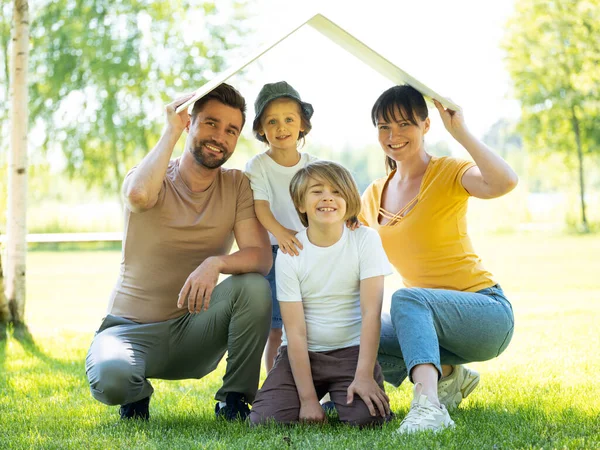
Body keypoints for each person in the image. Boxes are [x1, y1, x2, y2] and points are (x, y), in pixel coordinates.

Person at [85, 83, 273, 422]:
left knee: (255, 287)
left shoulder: (236, 185)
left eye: (231, 130)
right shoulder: (153, 176)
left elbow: (259, 256)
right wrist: (170, 131)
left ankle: (234, 400)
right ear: (190, 123)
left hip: (194, 328)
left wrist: (216, 263)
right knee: (111, 378)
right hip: (130, 331)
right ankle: (136, 394)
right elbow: (139, 196)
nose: (220, 137)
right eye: (211, 123)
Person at [359, 85, 518, 433]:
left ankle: (429, 406)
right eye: (384, 127)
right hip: (428, 326)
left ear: (425, 126)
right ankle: (449, 375)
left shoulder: (448, 171)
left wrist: (460, 132)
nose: (393, 135)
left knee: (407, 299)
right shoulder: (373, 194)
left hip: (485, 312)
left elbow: (504, 182)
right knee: (355, 330)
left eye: (404, 124)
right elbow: (341, 243)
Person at [250, 160, 393, 426]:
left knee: (368, 421)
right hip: (304, 354)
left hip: (351, 352)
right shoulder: (290, 252)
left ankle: (348, 391)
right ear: (301, 204)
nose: (327, 197)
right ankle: (314, 396)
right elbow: (295, 332)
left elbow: (371, 313)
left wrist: (364, 374)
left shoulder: (365, 240)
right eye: (317, 190)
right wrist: (307, 400)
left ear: (349, 201)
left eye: (336, 191)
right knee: (265, 420)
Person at [244, 81, 318, 372]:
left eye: (289, 119)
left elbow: (325, 203)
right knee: (276, 327)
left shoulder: (314, 165)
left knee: (308, 323)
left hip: (310, 253)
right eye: (272, 121)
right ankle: (275, 382)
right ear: (261, 128)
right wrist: (281, 233)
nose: (281, 127)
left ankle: (313, 382)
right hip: (275, 254)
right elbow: (261, 206)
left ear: (303, 125)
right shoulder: (258, 166)